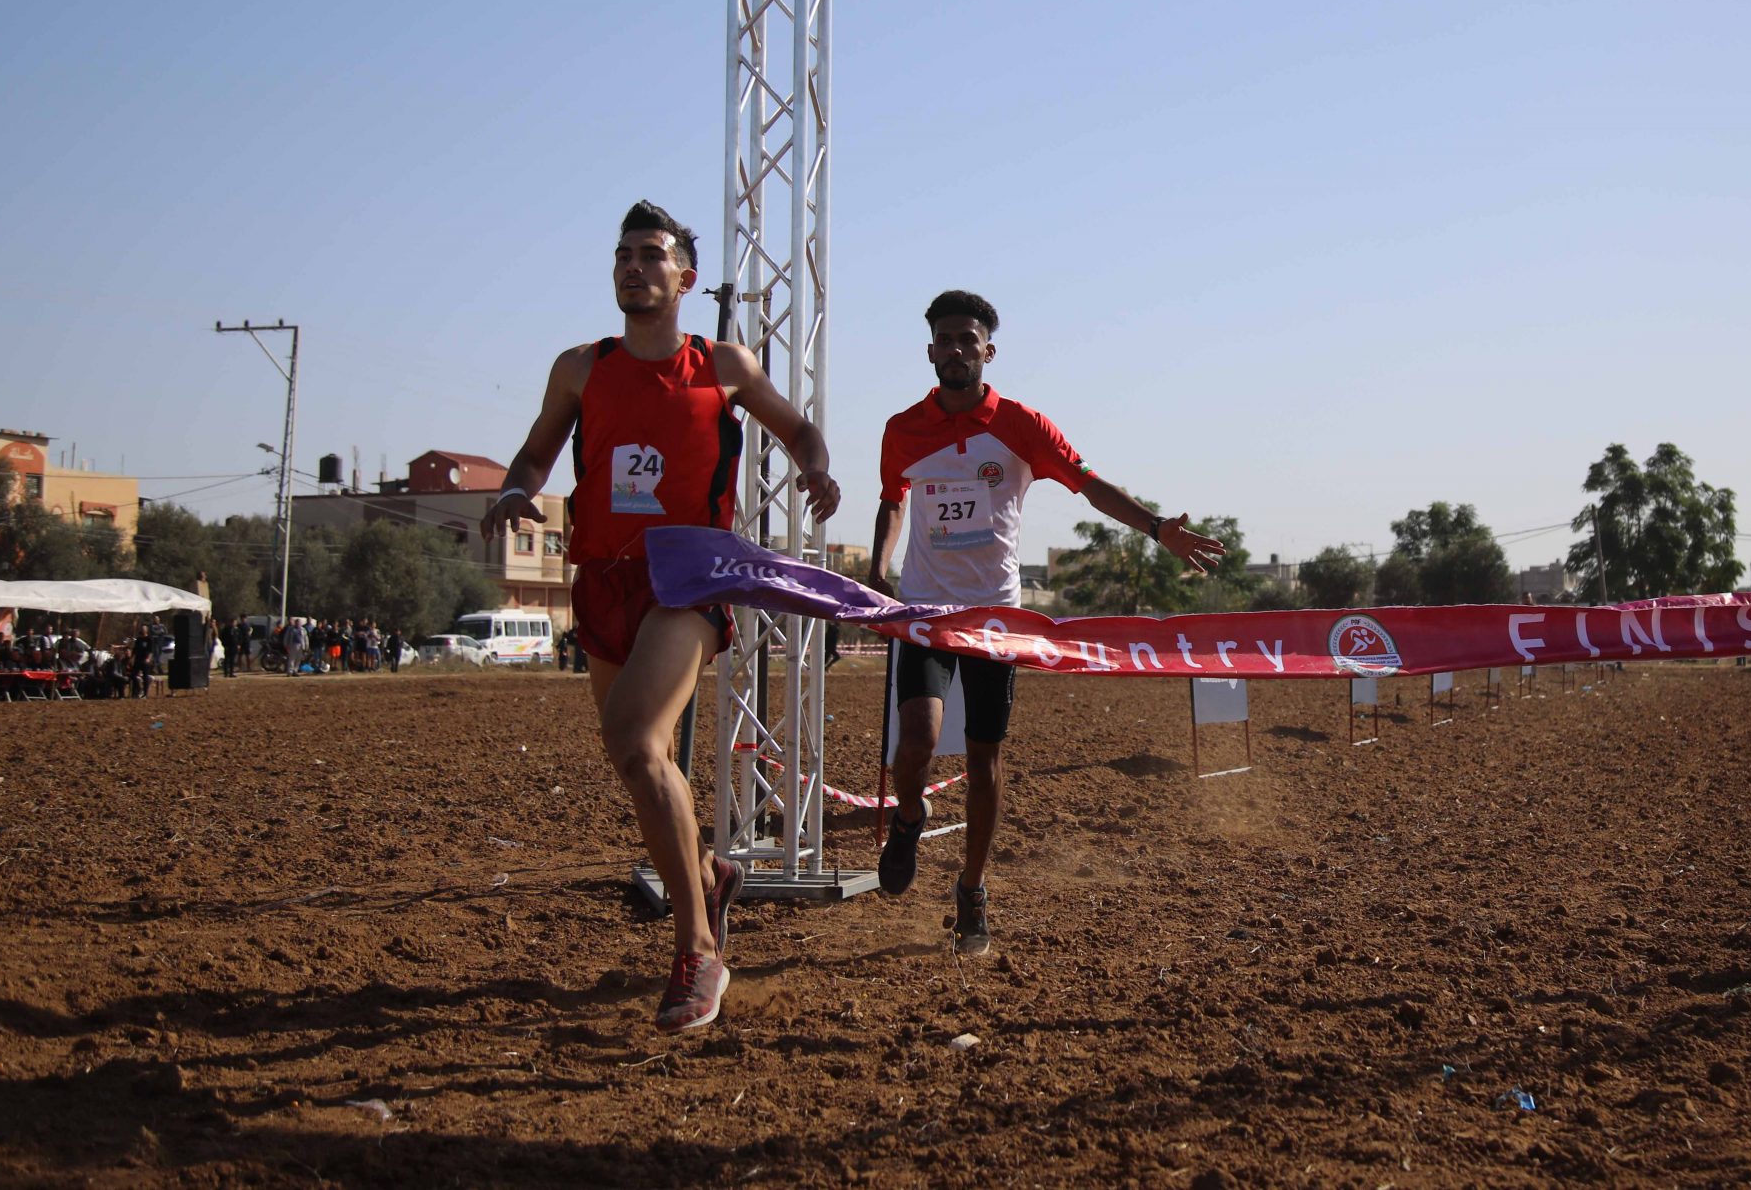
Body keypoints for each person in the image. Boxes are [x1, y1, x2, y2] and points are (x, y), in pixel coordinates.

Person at [482, 200, 839, 1032]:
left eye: (652, 254)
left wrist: (816, 472)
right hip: (602, 577)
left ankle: (696, 949)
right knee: (635, 763)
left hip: (689, 576)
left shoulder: (724, 365)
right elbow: (537, 451)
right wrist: (513, 489)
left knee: (639, 741)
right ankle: (708, 872)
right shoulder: (579, 367)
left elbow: (802, 430)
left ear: (683, 276)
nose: (634, 266)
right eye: (623, 255)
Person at [871, 289, 1224, 955]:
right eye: (943, 340)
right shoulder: (901, 429)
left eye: (966, 339)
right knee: (915, 738)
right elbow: (892, 501)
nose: (954, 349)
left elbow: (1086, 483)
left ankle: (971, 887)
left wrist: (1156, 529)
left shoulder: (1024, 425)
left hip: (996, 620)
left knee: (984, 757)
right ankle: (910, 816)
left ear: (988, 351)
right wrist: (878, 571)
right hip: (922, 609)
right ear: (929, 351)